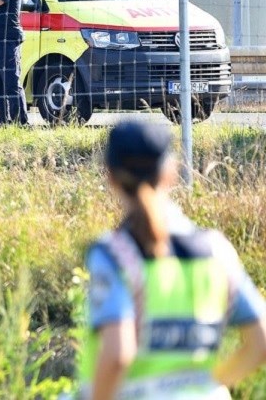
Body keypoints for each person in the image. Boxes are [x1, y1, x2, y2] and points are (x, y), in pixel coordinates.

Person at [78, 120, 266, 399]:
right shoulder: (217, 250)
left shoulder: (114, 255)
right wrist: (209, 384)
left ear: (110, 176)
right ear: (172, 173)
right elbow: (260, 342)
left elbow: (118, 355)